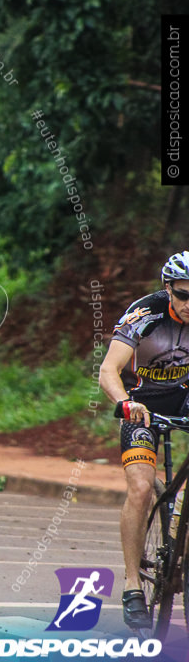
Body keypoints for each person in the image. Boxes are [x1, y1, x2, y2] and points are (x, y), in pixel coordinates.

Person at [99, 251, 189, 629]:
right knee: (139, 488)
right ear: (168, 289)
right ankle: (132, 584)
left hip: (184, 399)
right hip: (142, 407)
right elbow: (109, 369)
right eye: (184, 295)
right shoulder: (147, 314)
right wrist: (124, 403)